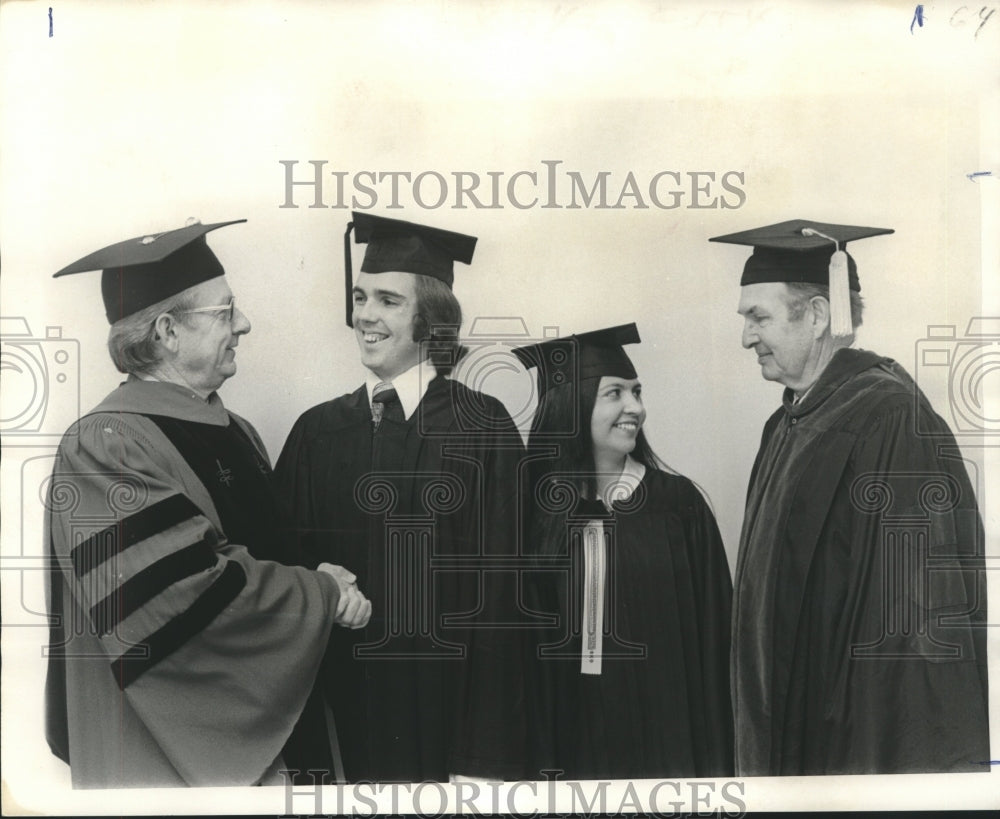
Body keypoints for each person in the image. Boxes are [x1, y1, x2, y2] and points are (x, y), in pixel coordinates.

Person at [45, 219, 370, 788]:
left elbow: (258, 557)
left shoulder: (235, 429)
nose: (243, 324)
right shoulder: (104, 442)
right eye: (224, 312)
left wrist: (315, 577)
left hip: (276, 732)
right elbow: (181, 597)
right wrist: (321, 595)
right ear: (167, 331)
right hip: (161, 751)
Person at [711, 218, 990, 775]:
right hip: (792, 726)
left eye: (758, 317)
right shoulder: (788, 422)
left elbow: (910, 629)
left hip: (845, 742)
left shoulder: (889, 420)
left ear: (816, 316)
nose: (745, 336)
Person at [275, 212, 527, 783]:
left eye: (388, 300)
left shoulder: (480, 427)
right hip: (343, 714)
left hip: (449, 719)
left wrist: (484, 757)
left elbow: (504, 600)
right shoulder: (317, 432)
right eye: (361, 297)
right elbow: (278, 562)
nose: (365, 314)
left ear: (431, 319)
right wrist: (321, 582)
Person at [513, 324, 734, 780]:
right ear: (571, 408)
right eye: (614, 393)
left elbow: (717, 639)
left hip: (669, 739)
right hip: (570, 743)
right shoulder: (534, 514)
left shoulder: (678, 504)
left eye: (636, 392)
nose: (635, 407)